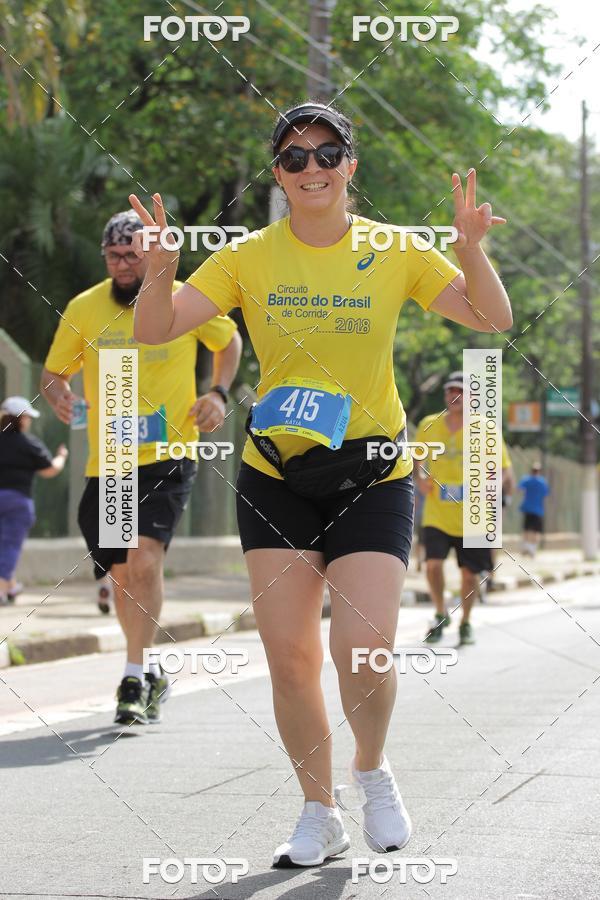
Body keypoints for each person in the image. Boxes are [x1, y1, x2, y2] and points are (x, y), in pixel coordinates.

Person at [130, 101, 512, 866]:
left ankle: (371, 770)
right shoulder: (247, 256)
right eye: (295, 158)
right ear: (277, 174)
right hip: (276, 473)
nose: (313, 168)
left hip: (373, 472)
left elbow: (490, 317)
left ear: (350, 167)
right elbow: (154, 329)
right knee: (291, 658)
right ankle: (319, 810)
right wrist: (164, 271)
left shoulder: (395, 248)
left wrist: (469, 249)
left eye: (327, 153)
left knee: (364, 650)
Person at [41, 211, 241, 725]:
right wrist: (60, 394)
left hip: (169, 453)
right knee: (125, 573)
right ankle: (149, 668)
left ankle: (132, 671)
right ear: (104, 256)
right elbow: (54, 370)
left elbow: (229, 341)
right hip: (111, 458)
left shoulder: (181, 298)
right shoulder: (85, 308)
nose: (124, 264)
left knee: (144, 559)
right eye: (115, 255)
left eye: (134, 254)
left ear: (152, 255)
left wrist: (218, 392)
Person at [415, 371, 513, 644]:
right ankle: (439, 613)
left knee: (469, 575)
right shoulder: (428, 424)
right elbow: (417, 460)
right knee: (433, 565)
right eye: (450, 391)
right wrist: (419, 479)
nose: (454, 396)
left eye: (461, 391)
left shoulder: (487, 428)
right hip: (437, 511)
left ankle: (466, 622)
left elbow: (504, 469)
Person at [0, 396, 68, 605]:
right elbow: (50, 469)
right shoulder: (28, 444)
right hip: (18, 501)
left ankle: (11, 586)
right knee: (10, 546)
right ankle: (2, 588)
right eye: (27, 417)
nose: (29, 421)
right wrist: (62, 456)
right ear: (20, 419)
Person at [518, 462, 549, 556]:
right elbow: (545, 495)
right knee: (536, 531)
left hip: (528, 508)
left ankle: (526, 547)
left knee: (526, 529)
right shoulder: (542, 482)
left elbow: (519, 489)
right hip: (538, 509)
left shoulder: (527, 480)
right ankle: (532, 549)